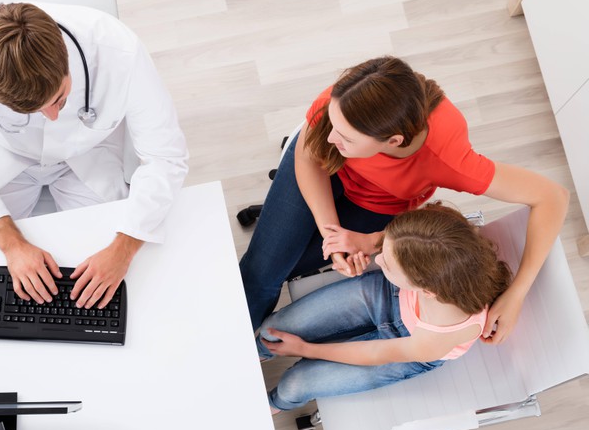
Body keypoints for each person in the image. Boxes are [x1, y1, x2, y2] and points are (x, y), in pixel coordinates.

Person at [239, 56, 568, 344]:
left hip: (374, 205)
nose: (329, 135)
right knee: (260, 274)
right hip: (320, 167)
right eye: (334, 124)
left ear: (393, 141)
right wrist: (330, 233)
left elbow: (552, 197)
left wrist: (517, 294)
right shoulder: (351, 97)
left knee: (282, 268)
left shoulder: (448, 158)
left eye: (346, 136)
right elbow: (311, 153)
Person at [0, 2, 188, 309]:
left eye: (60, 99)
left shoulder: (120, 52)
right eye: (33, 110)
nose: (51, 117)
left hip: (88, 152)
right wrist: (12, 246)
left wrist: (123, 249)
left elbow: (166, 158)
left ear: (65, 58)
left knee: (127, 277)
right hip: (7, 155)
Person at [257, 203, 512, 412]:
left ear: (426, 290)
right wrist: (365, 247)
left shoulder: (440, 337)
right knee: (272, 330)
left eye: (386, 264)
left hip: (405, 346)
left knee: (294, 385)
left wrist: (306, 349)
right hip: (391, 295)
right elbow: (389, 242)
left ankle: (273, 405)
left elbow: (377, 353)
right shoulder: (438, 237)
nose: (377, 261)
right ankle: (258, 352)